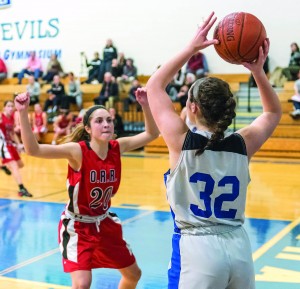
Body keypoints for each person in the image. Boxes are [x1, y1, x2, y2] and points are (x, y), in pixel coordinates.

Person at [146, 12, 282, 289]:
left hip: (198, 251)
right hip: (240, 248)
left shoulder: (180, 142)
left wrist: (191, 48)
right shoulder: (242, 145)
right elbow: (272, 111)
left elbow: (154, 86)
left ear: (192, 108)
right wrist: (257, 70)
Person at [14, 87, 159, 289]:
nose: (106, 124)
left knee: (133, 274)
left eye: (108, 120)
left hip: (104, 222)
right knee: (82, 284)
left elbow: (152, 133)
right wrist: (22, 112)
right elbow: (33, 149)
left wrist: (145, 105)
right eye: (99, 121)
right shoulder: (77, 151)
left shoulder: (118, 147)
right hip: (78, 226)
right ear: (88, 129)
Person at [0, 100, 32, 197]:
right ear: (4, 107)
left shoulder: (11, 118)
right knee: (14, 166)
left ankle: (3, 166)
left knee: (20, 165)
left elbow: (12, 133)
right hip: (3, 145)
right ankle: (22, 188)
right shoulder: (1, 116)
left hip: (10, 144)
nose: (10, 108)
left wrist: (19, 144)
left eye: (12, 106)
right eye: (8, 106)